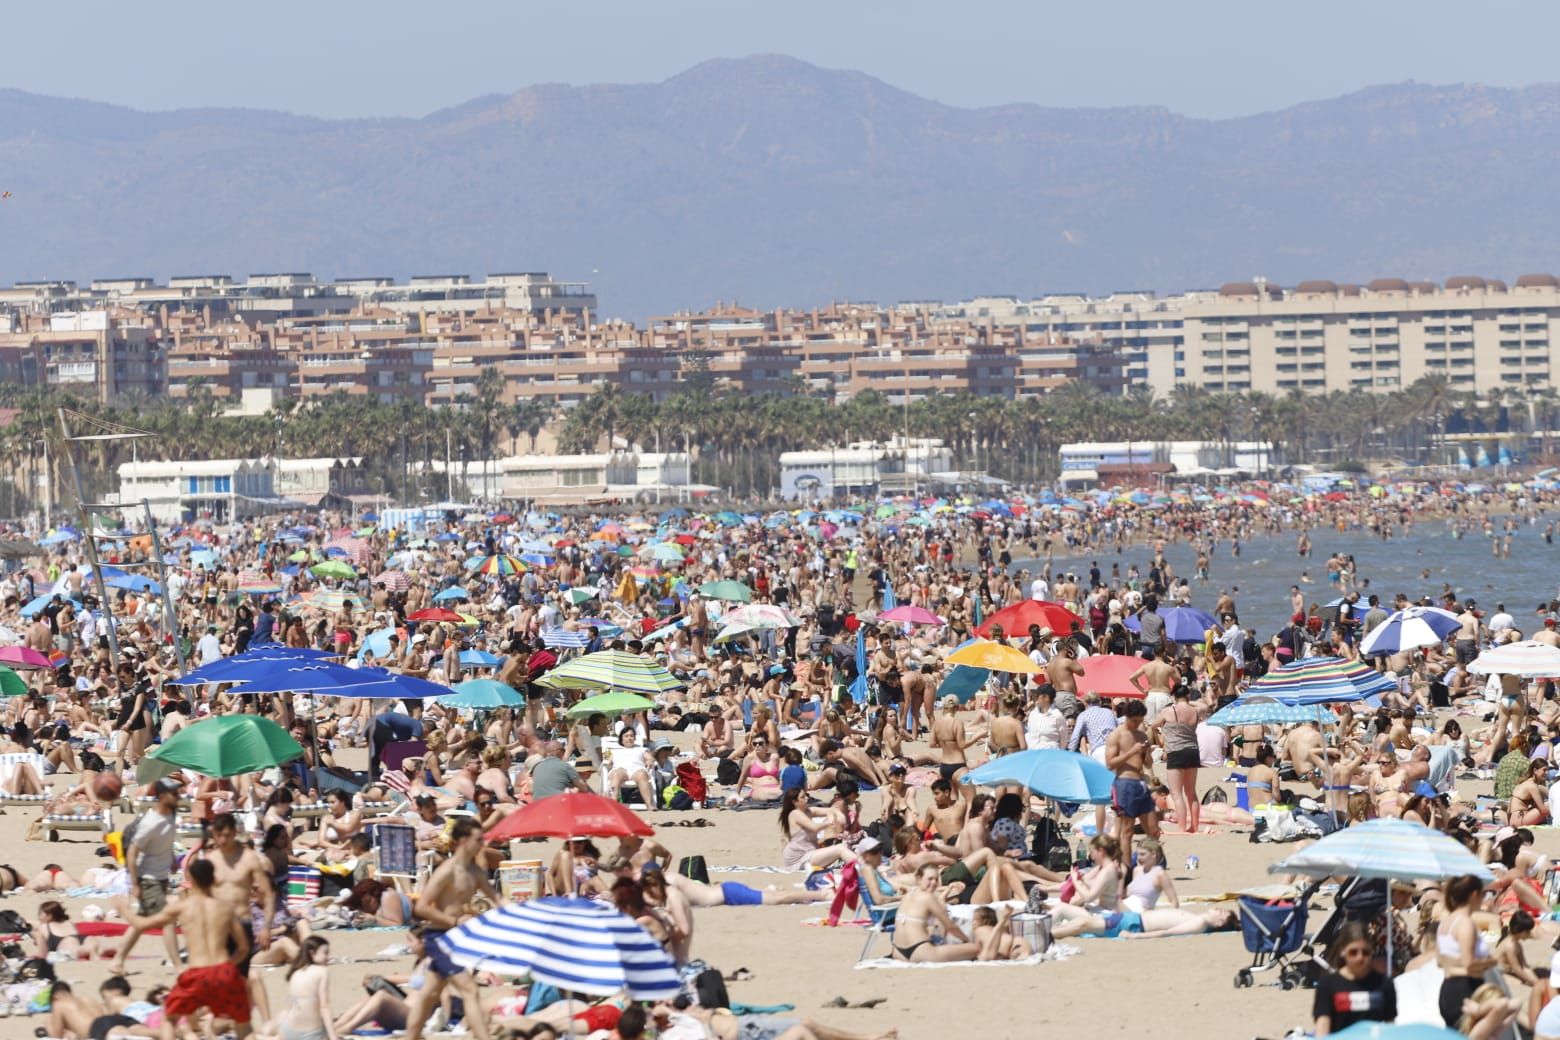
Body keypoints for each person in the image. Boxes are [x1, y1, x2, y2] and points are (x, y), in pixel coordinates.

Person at [120, 856, 252, 1040]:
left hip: (197, 973)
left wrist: (122, 909)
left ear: (190, 879)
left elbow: (141, 924)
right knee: (243, 1026)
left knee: (169, 1018)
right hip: (224, 971)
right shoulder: (224, 908)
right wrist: (229, 965)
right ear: (213, 879)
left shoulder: (182, 907)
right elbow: (244, 947)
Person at [404, 818, 502, 1040]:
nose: (482, 843)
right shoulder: (447, 871)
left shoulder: (475, 871)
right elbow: (421, 907)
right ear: (463, 841)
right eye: (478, 839)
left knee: (428, 995)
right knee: (470, 990)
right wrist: (454, 922)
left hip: (456, 939)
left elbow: (496, 897)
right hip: (439, 938)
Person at [113, 777, 183, 973]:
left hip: (161, 877)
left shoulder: (171, 814)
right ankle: (178, 967)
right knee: (167, 920)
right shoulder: (150, 822)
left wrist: (171, 860)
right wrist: (134, 883)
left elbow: (166, 839)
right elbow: (133, 851)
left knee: (140, 923)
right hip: (148, 879)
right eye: (174, 793)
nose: (178, 796)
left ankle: (117, 960)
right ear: (161, 797)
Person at [1312, 923, 1396, 1035]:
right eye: (1353, 952)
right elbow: (1323, 1027)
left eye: (1365, 952)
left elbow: (1390, 1026)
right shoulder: (1328, 985)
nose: (1360, 957)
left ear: (1372, 951)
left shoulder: (1384, 984)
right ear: (1343, 951)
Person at [1437, 874, 1496, 1028]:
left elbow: (1440, 961)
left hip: (1448, 988)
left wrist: (1453, 968)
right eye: (1482, 895)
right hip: (1466, 990)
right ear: (1474, 894)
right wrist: (1492, 961)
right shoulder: (1465, 923)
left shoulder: (1445, 923)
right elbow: (1469, 964)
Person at [276, 936, 338, 1040]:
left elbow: (289, 1007)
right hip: (311, 1033)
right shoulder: (322, 971)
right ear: (312, 953)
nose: (328, 957)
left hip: (287, 1031)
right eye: (325, 953)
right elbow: (324, 1007)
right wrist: (333, 1037)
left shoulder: (295, 972)